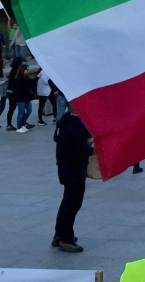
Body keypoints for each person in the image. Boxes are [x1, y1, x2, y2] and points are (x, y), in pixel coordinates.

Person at [52, 103, 93, 253]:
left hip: (64, 167)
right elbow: (80, 150)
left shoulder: (65, 119)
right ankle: (66, 239)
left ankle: (59, 234)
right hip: (74, 169)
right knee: (72, 204)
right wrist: (92, 150)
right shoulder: (78, 125)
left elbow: (56, 138)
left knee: (67, 200)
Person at [13, 61, 37, 132]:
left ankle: (23, 123)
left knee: (29, 110)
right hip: (20, 97)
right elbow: (28, 83)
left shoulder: (26, 77)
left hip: (26, 97)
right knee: (20, 113)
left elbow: (31, 84)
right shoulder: (19, 78)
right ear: (22, 70)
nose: (28, 71)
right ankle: (19, 127)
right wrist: (37, 78)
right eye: (26, 69)